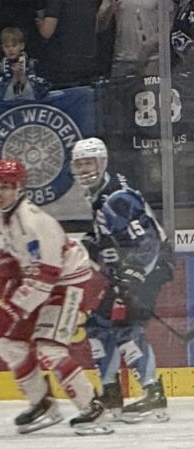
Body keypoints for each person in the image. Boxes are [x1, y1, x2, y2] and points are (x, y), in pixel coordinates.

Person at [0, 159, 113, 436]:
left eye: (6, 186)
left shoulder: (34, 222)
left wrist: (9, 311)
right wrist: (9, 263)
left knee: (49, 348)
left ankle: (92, 408)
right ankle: (42, 404)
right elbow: (15, 251)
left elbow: (45, 278)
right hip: (42, 281)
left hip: (69, 282)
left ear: (19, 188)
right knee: (9, 345)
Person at [70, 138, 172, 422]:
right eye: (79, 164)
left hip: (149, 270)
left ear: (102, 163)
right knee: (98, 326)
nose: (84, 169)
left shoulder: (117, 196)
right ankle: (111, 393)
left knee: (126, 327)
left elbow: (148, 240)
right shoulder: (98, 193)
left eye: (89, 163)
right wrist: (91, 245)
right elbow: (109, 234)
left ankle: (153, 393)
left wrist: (133, 274)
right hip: (127, 272)